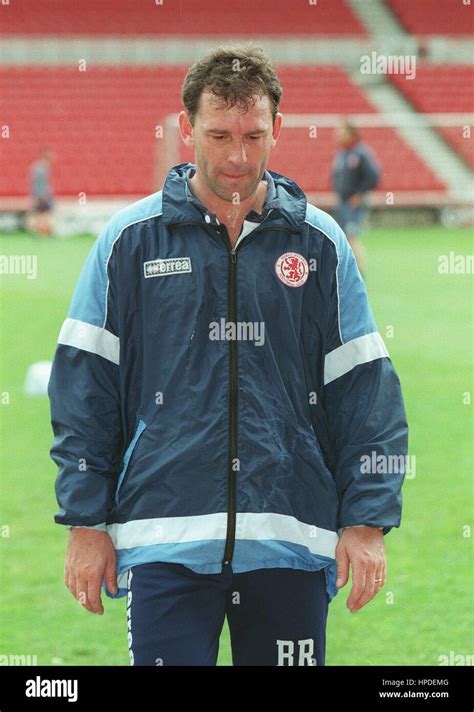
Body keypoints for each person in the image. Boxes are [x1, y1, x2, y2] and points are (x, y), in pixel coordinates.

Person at [48, 44, 408, 666]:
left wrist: (368, 519)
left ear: (278, 129)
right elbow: (86, 389)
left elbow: (365, 389)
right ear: (186, 129)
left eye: (253, 135)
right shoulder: (127, 243)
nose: (238, 157)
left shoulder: (320, 245)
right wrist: (85, 523)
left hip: (289, 538)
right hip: (163, 540)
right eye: (218, 135)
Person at [331, 122, 380, 276]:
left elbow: (374, 176)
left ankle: (359, 272)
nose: (337, 135)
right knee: (343, 236)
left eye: (341, 132)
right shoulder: (343, 154)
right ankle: (349, 271)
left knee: (351, 236)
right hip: (343, 203)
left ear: (351, 134)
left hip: (354, 204)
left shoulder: (361, 153)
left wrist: (360, 194)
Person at [29, 148, 55, 237]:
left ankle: (41, 233)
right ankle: (40, 232)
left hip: (43, 196)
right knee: (41, 215)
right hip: (42, 197)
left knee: (42, 214)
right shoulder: (39, 169)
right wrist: (39, 197)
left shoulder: (42, 168)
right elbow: (37, 185)